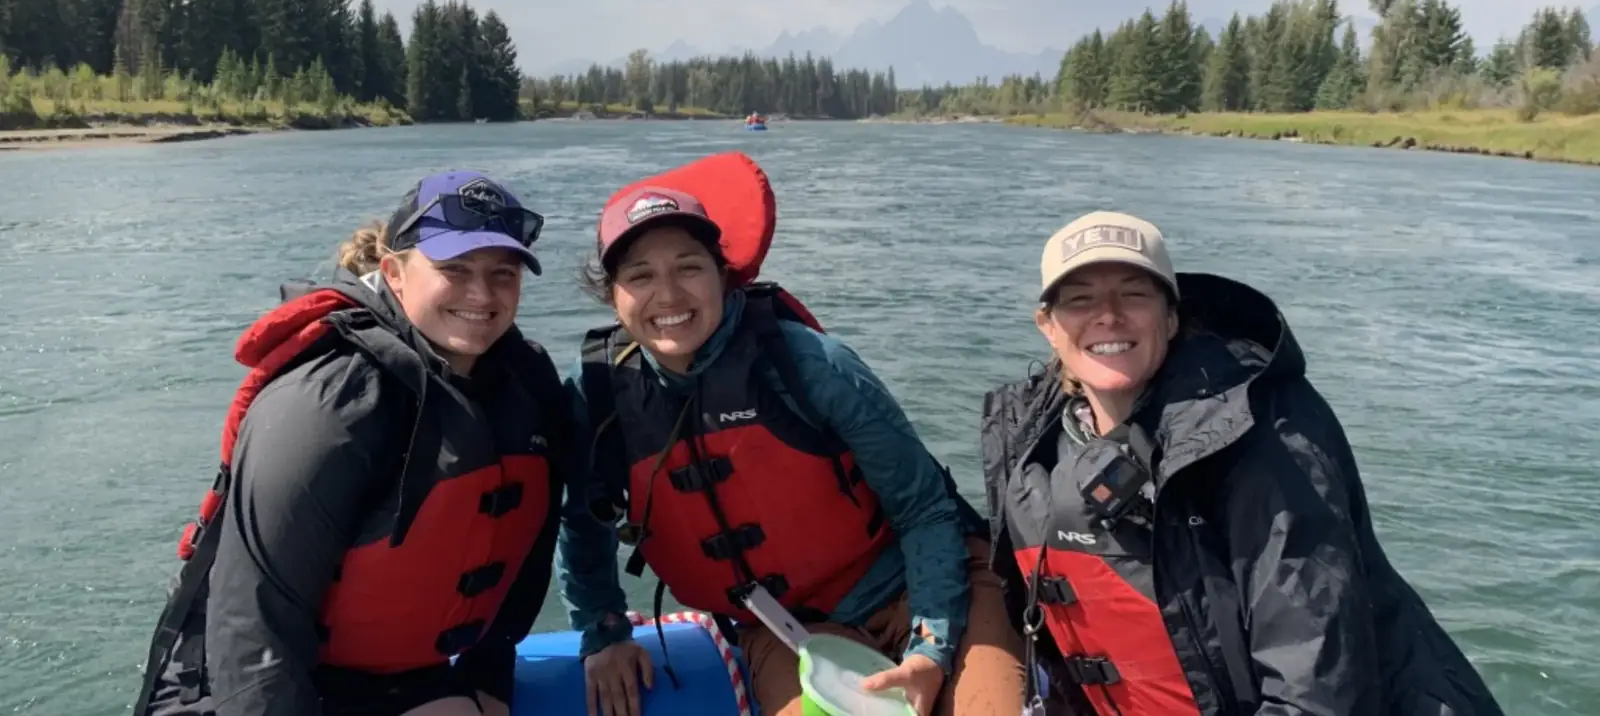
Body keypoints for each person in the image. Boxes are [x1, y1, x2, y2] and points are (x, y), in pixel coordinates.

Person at [979, 211, 1507, 716]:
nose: (1108, 315)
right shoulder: (1032, 437)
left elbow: (1317, 684)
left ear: (1171, 315)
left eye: (1134, 294)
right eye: (1080, 299)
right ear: (1048, 325)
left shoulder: (1264, 430)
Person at [557, 184, 1027, 716]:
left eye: (689, 267)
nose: (667, 295)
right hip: (788, 631)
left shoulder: (808, 363)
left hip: (917, 592)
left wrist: (932, 645)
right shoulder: (599, 392)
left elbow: (924, 506)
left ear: (722, 275)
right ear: (612, 294)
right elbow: (582, 521)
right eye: (640, 276)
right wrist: (604, 630)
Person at [132, 171, 573, 716]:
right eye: (453, 270)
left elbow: (528, 543)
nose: (481, 294)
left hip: (389, 680)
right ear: (395, 272)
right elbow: (253, 619)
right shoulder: (330, 399)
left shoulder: (524, 380)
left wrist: (489, 674)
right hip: (234, 689)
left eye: (502, 274)